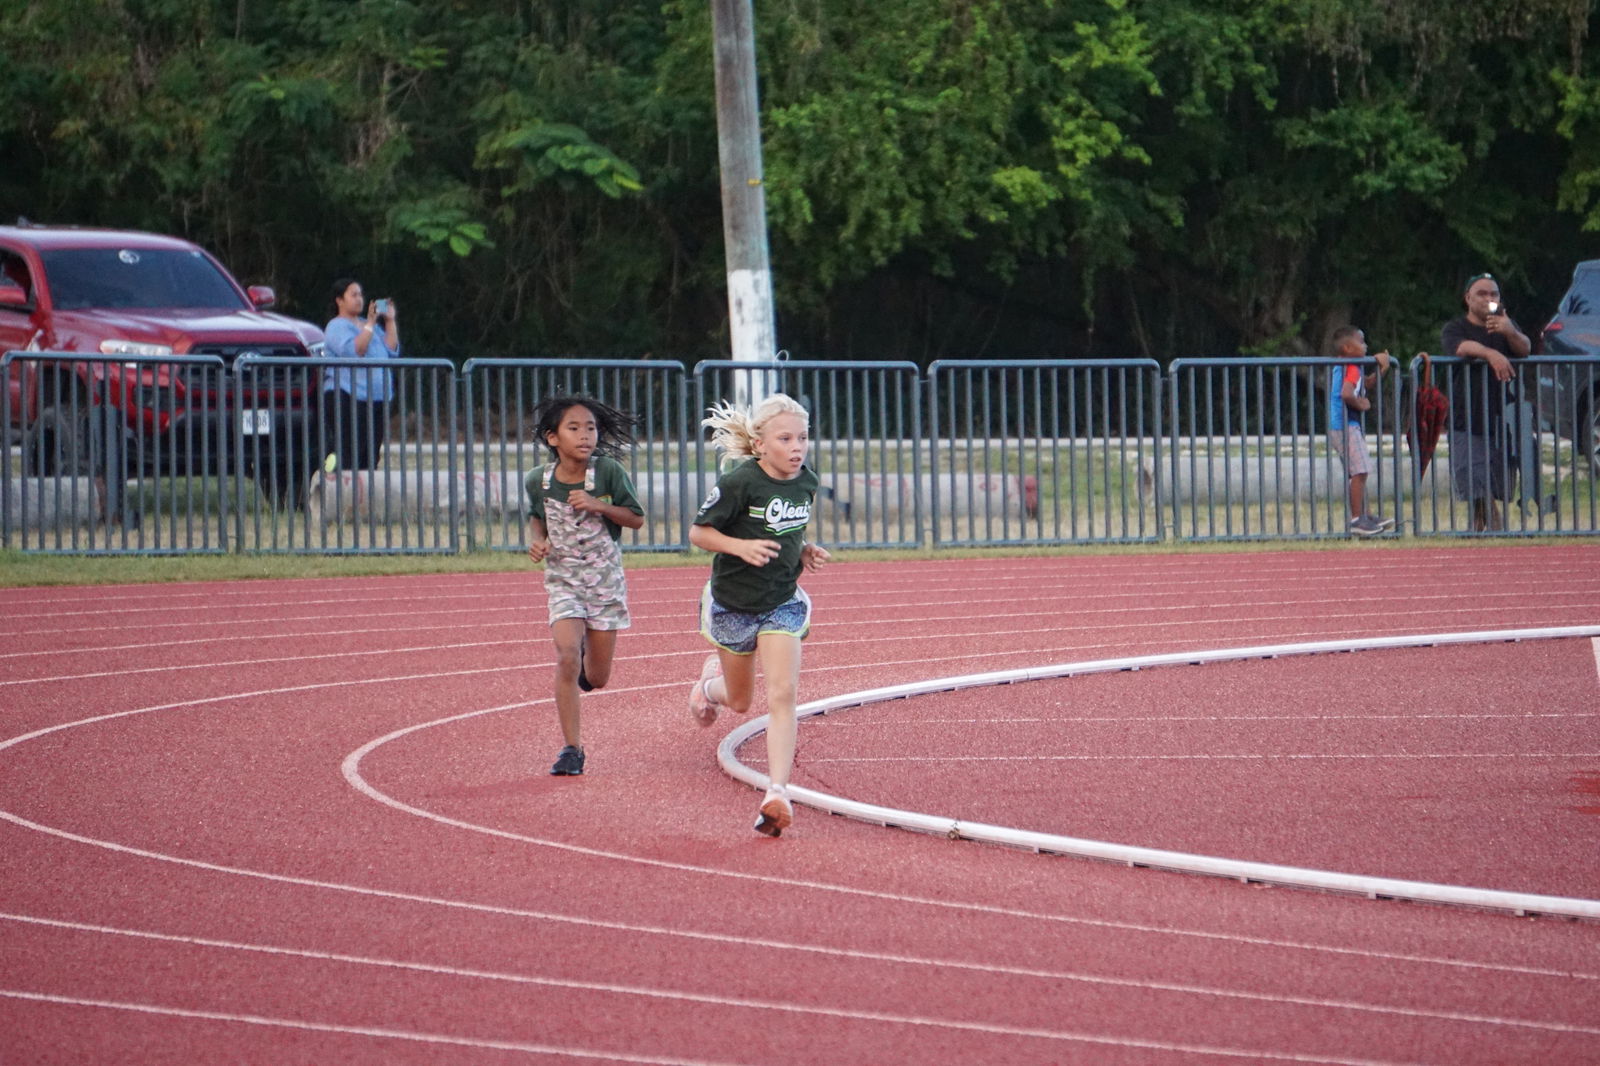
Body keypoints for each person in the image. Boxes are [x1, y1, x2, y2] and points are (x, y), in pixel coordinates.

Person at [688, 393, 831, 837]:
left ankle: (776, 793)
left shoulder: (806, 481)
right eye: (785, 438)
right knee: (740, 700)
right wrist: (740, 547)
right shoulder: (739, 482)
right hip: (734, 603)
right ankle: (708, 688)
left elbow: (790, 528)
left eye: (803, 438)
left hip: (781, 601)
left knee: (783, 695)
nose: (797, 447)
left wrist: (804, 549)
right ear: (760, 442)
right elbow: (698, 532)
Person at [525, 395, 645, 777]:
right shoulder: (538, 480)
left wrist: (600, 505)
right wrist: (538, 540)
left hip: (604, 583)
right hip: (564, 581)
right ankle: (571, 749)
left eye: (590, 427)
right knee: (565, 654)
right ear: (553, 437)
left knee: (598, 677)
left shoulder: (608, 472)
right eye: (573, 428)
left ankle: (583, 677)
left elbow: (636, 519)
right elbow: (535, 516)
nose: (585, 435)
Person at [1440, 273, 1530, 531]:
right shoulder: (1455, 327)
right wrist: (1491, 354)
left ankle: (1482, 530)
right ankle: (1494, 525)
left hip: (1502, 415)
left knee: (1496, 481)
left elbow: (1525, 348)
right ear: (1468, 298)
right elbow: (1460, 347)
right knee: (1473, 476)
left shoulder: (1506, 326)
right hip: (1466, 415)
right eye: (1482, 294)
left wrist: (1510, 331)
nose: (1489, 299)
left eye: (1494, 294)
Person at [322, 278, 399, 471]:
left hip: (376, 398)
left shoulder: (367, 324)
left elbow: (391, 349)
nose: (359, 299)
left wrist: (389, 320)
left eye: (360, 295)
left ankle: (364, 496)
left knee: (370, 454)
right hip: (347, 396)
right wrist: (371, 323)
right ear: (339, 300)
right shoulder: (336, 326)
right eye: (353, 295)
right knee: (350, 450)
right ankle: (340, 493)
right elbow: (356, 351)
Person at [1326, 326, 1394, 537]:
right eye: (1361, 342)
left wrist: (1380, 369)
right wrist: (1360, 403)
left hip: (1345, 425)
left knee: (1359, 470)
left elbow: (1365, 383)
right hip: (1344, 424)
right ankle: (1357, 519)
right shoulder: (1352, 365)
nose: (1365, 346)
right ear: (1347, 347)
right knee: (1360, 470)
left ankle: (1365, 514)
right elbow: (1347, 393)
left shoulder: (1352, 366)